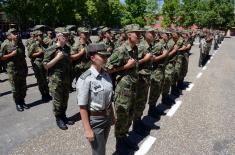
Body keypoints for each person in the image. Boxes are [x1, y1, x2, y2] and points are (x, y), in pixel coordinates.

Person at [77, 43, 115, 155]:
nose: (105, 58)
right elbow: (82, 106)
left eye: (106, 56)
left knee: (102, 148)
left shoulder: (106, 74)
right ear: (92, 58)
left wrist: (112, 115)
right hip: (96, 120)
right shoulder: (85, 78)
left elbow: (109, 99)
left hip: (107, 117)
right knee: (99, 152)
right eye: (102, 56)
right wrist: (87, 129)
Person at [43, 27, 74, 130]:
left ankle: (64, 116)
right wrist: (57, 58)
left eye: (67, 36)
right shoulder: (51, 49)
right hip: (55, 80)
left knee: (65, 99)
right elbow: (46, 66)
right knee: (57, 101)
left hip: (66, 78)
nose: (66, 38)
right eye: (64, 36)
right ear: (58, 37)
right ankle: (58, 118)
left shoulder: (67, 48)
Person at [0, 28, 29, 111]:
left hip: (22, 68)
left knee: (23, 87)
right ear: (9, 36)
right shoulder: (5, 44)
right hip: (12, 70)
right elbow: (1, 57)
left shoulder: (20, 43)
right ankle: (18, 103)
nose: (16, 35)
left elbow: (23, 56)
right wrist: (11, 55)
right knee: (15, 88)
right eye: (14, 33)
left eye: (16, 33)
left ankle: (22, 101)